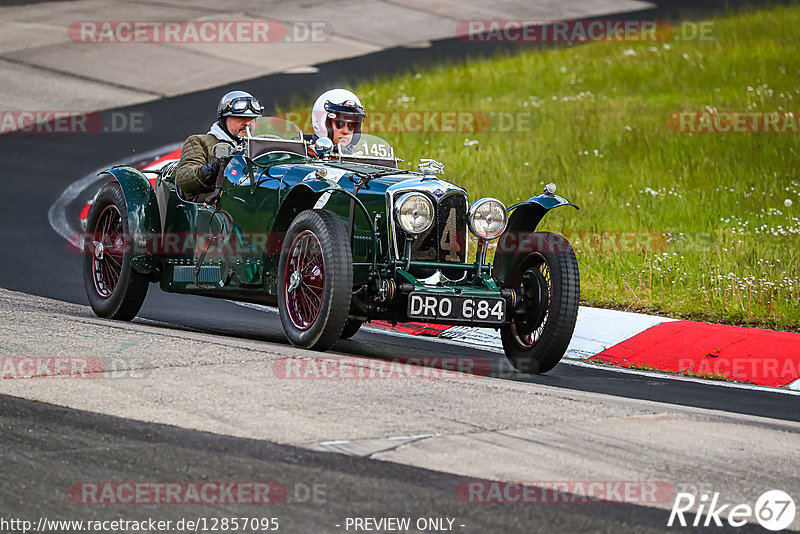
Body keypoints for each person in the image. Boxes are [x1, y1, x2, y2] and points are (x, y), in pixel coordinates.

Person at [175, 90, 263, 202]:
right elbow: (184, 179)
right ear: (224, 120)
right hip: (214, 208)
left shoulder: (261, 145)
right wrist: (214, 168)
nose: (247, 124)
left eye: (251, 119)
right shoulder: (199, 141)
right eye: (240, 118)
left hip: (250, 203)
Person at [306, 89, 366, 157]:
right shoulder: (304, 155)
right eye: (339, 124)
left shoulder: (360, 157)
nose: (345, 131)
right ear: (322, 124)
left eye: (352, 125)